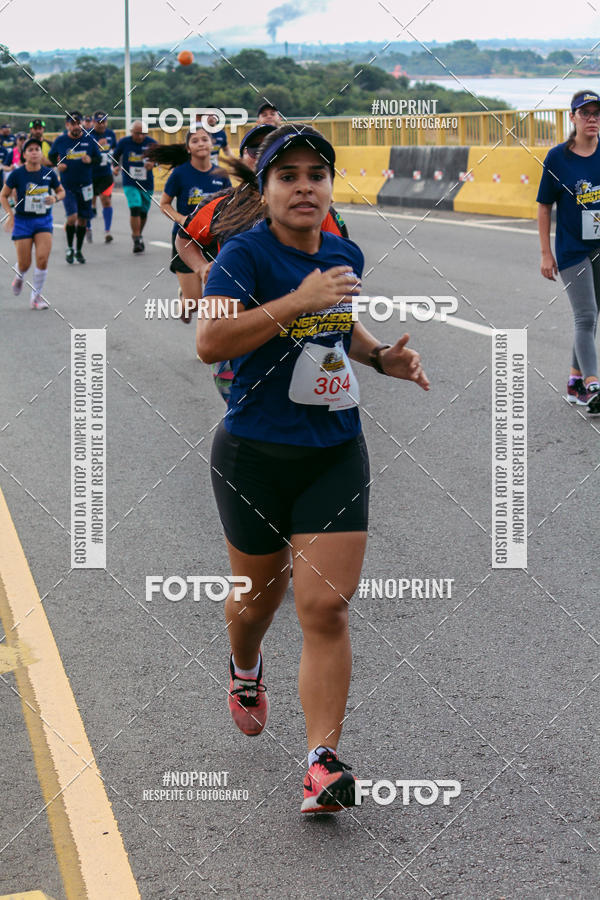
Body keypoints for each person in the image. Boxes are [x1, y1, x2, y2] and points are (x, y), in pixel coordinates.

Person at [197, 124, 429, 813]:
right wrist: (296, 300)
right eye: (288, 176)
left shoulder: (342, 250)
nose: (304, 187)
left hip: (333, 452)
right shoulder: (239, 257)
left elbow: (339, 326)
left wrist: (380, 355)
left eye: (316, 175)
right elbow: (210, 340)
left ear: (330, 187)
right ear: (266, 191)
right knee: (255, 605)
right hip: (253, 456)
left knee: (325, 607)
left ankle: (321, 762)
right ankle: (245, 666)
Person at [176, 123, 348, 401]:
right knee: (245, 406)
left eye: (266, 149)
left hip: (299, 331)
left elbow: (338, 263)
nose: (259, 154)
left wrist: (377, 353)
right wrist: (202, 267)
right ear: (243, 157)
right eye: (253, 149)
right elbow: (185, 239)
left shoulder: (316, 211)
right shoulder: (221, 205)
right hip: (236, 328)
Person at [538, 89, 600, 414]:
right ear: (573, 117)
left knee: (592, 317)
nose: (592, 119)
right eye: (585, 113)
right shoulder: (558, 158)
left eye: (597, 113)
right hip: (571, 249)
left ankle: (575, 381)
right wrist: (546, 253)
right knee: (586, 315)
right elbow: (544, 206)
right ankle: (593, 385)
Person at [147, 126, 231, 307]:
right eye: (195, 141)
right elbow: (164, 204)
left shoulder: (221, 175)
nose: (200, 143)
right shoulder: (180, 174)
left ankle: (208, 332)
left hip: (214, 240)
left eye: (204, 139)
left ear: (212, 144)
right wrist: (182, 219)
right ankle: (184, 298)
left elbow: (229, 207)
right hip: (186, 240)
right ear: (188, 148)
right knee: (193, 304)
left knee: (214, 300)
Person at [0, 138, 65, 309]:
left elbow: (61, 191)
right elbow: (3, 195)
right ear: (24, 154)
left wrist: (55, 198)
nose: (35, 151)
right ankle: (19, 275)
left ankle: (36, 297)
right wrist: (10, 215)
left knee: (42, 259)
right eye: (31, 149)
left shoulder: (49, 173)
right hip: (22, 221)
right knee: (25, 263)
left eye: (37, 149)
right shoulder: (17, 174)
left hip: (43, 220)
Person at [48, 111, 101, 264]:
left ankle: (78, 250)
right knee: (72, 217)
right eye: (72, 123)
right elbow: (52, 156)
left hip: (86, 185)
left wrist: (90, 159)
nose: (76, 126)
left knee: (83, 220)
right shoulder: (61, 140)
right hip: (68, 186)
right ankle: (69, 247)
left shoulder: (89, 140)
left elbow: (98, 158)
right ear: (67, 125)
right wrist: (58, 164)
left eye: (78, 123)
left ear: (82, 124)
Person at [113, 121, 157, 253]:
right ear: (131, 132)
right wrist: (115, 167)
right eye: (137, 133)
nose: (140, 137)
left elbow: (160, 158)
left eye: (143, 133)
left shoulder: (151, 143)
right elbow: (115, 157)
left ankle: (138, 234)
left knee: (143, 211)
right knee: (135, 206)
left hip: (146, 182)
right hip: (130, 181)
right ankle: (137, 239)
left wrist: (153, 164)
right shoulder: (124, 142)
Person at [88, 111, 118, 243]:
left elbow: (116, 152)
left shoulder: (111, 134)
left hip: (105, 174)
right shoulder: (87, 135)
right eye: (98, 122)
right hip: (89, 175)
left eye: (103, 122)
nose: (101, 125)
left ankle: (107, 231)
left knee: (106, 200)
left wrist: (116, 166)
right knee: (88, 203)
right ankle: (87, 228)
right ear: (94, 122)